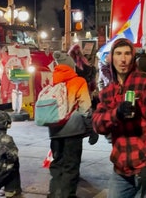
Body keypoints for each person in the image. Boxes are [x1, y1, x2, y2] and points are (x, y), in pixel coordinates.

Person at [92, 38, 146, 198]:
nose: (123, 59)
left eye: (127, 54)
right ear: (111, 58)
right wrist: (116, 114)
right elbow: (97, 124)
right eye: (118, 53)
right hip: (123, 166)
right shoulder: (108, 91)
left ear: (133, 57)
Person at [48, 51, 94, 197]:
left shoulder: (52, 81)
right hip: (73, 131)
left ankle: (54, 193)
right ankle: (67, 195)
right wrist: (90, 128)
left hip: (54, 129)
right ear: (71, 66)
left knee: (57, 163)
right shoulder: (78, 81)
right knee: (71, 165)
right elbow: (85, 107)